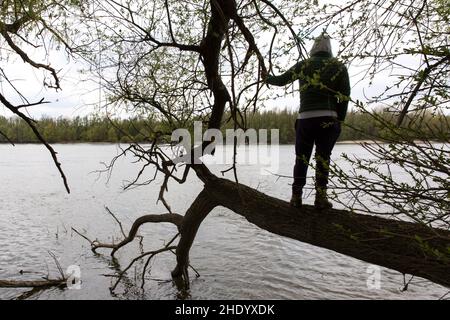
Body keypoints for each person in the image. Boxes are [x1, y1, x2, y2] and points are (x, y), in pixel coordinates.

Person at [263, 34, 350, 209]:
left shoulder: (304, 65)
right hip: (329, 118)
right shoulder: (339, 66)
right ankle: (320, 198)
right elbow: (345, 96)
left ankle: (296, 197)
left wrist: (266, 77)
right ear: (329, 48)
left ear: (313, 48)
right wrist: (339, 119)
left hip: (306, 119)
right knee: (323, 158)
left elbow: (281, 80)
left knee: (301, 158)